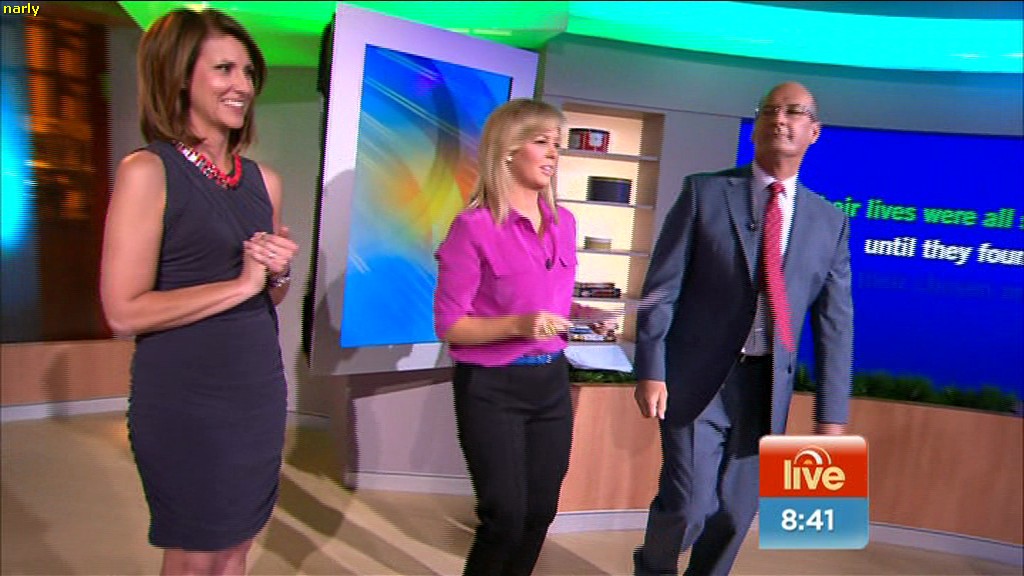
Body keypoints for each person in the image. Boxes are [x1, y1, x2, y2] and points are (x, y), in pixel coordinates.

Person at [99, 8, 298, 575]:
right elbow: (122, 312)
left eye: (248, 71)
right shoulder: (148, 171)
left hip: (256, 389)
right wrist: (241, 283)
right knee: (196, 553)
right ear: (179, 75)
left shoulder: (264, 181)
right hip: (186, 395)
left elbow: (267, 296)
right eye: (224, 69)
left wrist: (275, 275)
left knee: (237, 545)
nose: (243, 86)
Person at [631, 82, 853, 576]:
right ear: (755, 127)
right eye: (770, 110)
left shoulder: (830, 222)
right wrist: (650, 368)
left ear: (814, 132)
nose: (780, 119)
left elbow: (836, 326)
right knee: (689, 507)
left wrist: (831, 417)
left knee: (735, 515)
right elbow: (660, 290)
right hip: (697, 381)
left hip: (765, 388)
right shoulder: (704, 193)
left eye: (794, 112)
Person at [434, 98, 615, 576]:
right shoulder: (472, 228)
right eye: (542, 142)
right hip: (491, 388)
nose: (554, 153)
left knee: (539, 513)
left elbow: (550, 303)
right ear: (508, 151)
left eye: (558, 144)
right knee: (505, 519)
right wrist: (519, 325)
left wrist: (585, 314)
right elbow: (450, 325)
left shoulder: (564, 223)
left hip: (550, 383)